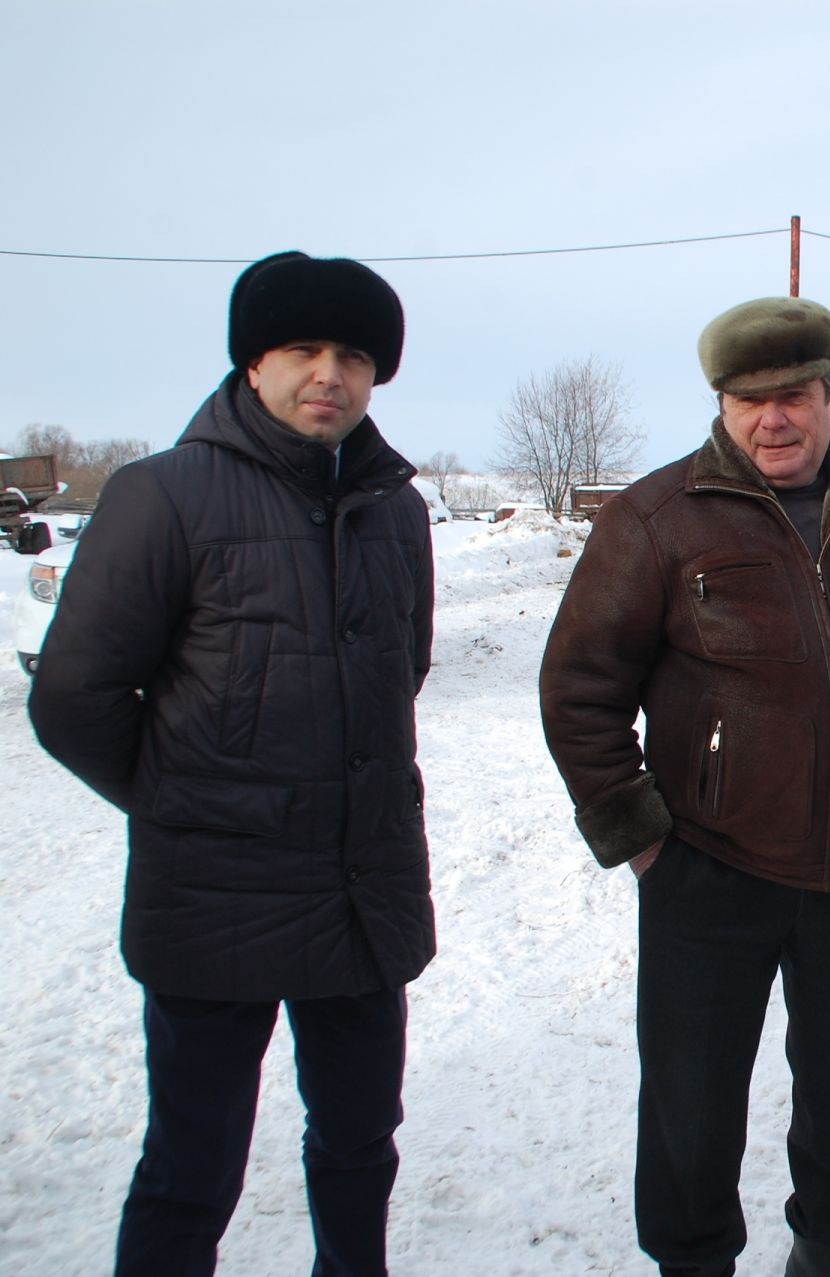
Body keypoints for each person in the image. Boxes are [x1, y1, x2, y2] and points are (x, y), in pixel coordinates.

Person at [538, 296, 830, 1277]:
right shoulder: (657, 518)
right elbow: (579, 688)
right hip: (707, 866)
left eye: (793, 395)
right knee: (693, 1092)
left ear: (829, 395)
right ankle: (693, 1258)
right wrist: (642, 833)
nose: (773, 417)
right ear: (722, 405)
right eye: (749, 399)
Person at [29, 251, 434, 1275]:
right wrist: (183, 799)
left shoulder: (394, 508)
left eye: (352, 354)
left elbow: (401, 666)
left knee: (358, 1145)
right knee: (191, 1165)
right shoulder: (161, 495)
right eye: (301, 349)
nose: (328, 374)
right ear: (252, 362)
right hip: (215, 900)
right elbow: (75, 696)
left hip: (360, 895)